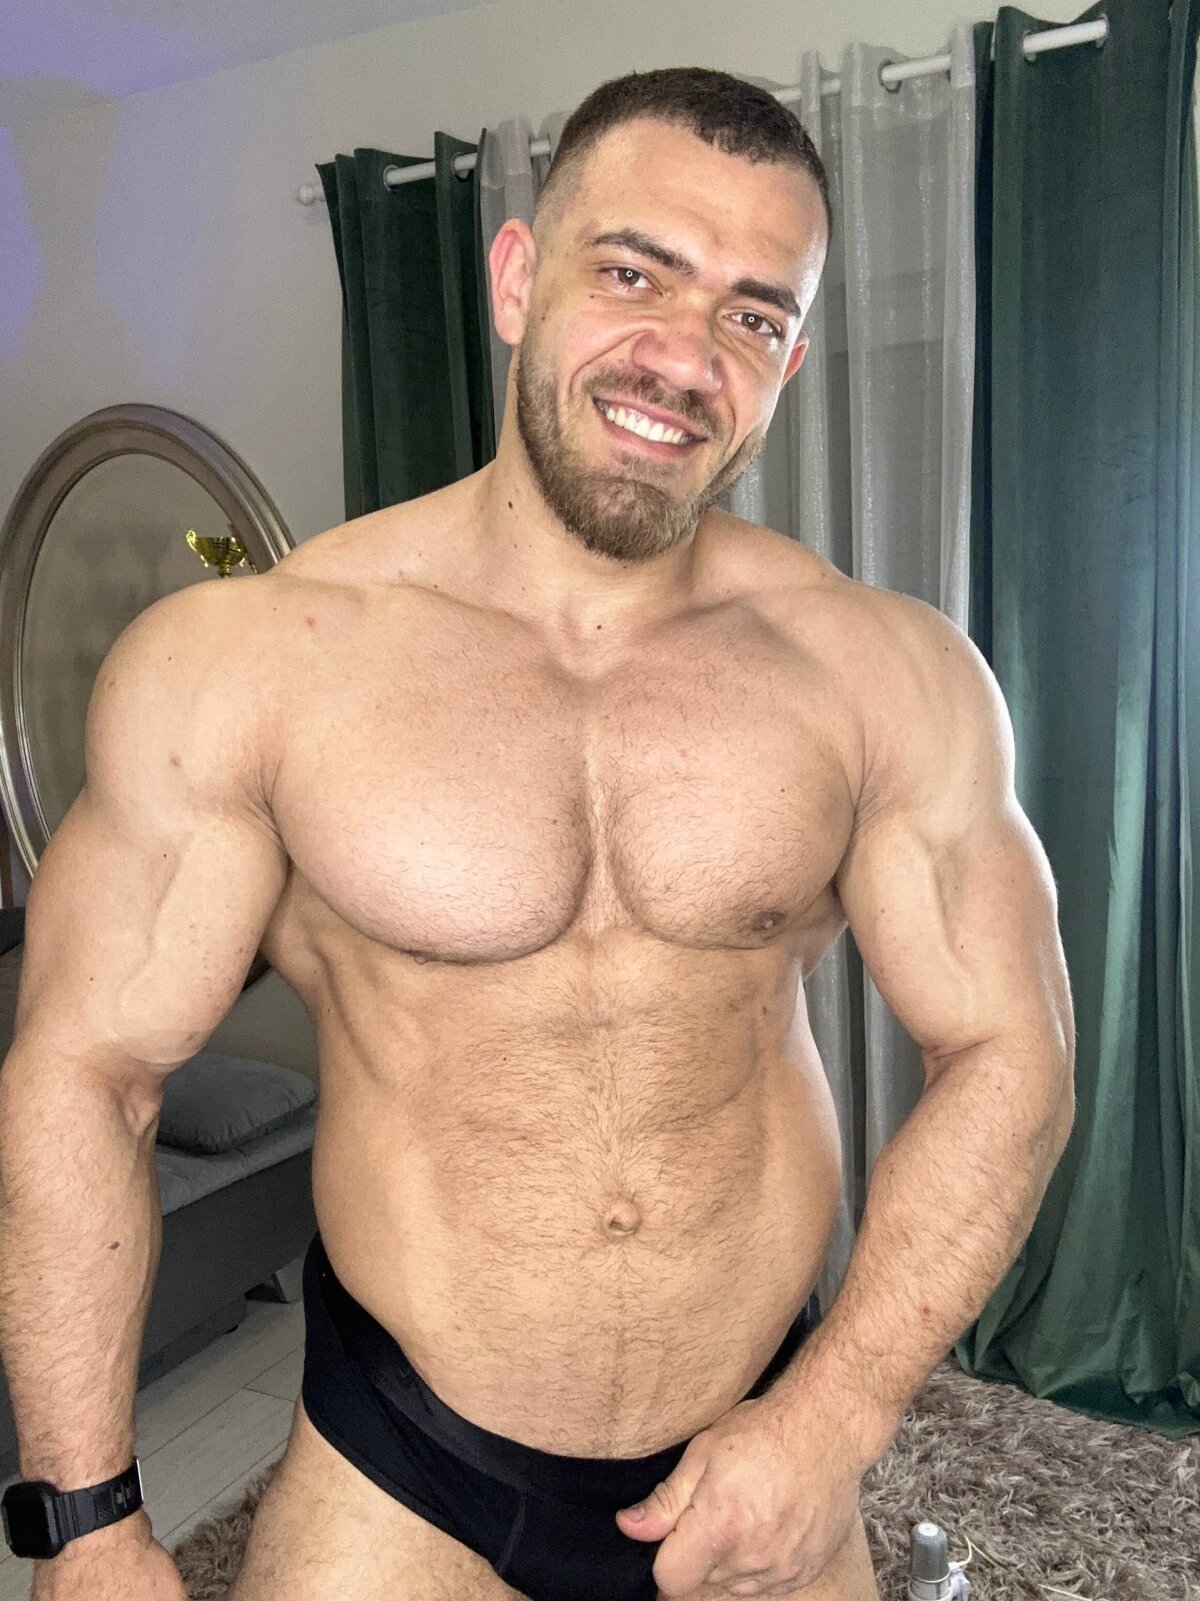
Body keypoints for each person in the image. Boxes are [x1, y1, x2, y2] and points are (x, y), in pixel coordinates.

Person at [0, 65, 1075, 1601]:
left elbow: (1013, 1052)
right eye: (634, 272)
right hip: (410, 1469)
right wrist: (89, 1517)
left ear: (790, 361)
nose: (684, 355)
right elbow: (84, 1075)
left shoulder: (885, 673)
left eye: (752, 314)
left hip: (756, 1438)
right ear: (516, 280)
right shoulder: (251, 666)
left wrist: (833, 1418)